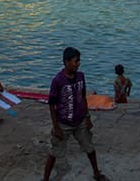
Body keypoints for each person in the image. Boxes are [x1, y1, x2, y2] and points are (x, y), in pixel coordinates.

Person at [42, 47, 108, 181]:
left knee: (89, 147)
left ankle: (96, 173)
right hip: (63, 123)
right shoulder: (57, 81)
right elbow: (51, 104)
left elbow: (83, 97)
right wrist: (56, 127)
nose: (78, 64)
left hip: (80, 120)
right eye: (75, 61)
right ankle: (45, 179)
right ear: (66, 62)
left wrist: (87, 117)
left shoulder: (81, 77)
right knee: (54, 152)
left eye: (79, 61)